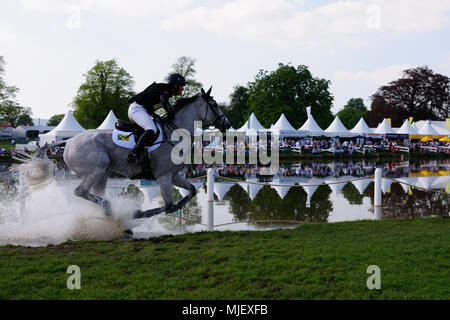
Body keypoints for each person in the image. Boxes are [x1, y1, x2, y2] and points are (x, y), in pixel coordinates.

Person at [127, 73, 186, 165]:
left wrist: (155, 116)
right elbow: (164, 102)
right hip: (137, 109)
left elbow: (149, 104)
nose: (183, 88)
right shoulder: (166, 90)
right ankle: (135, 153)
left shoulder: (165, 90)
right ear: (175, 85)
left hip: (142, 110)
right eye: (182, 86)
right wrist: (171, 114)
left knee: (157, 127)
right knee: (151, 129)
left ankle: (145, 153)